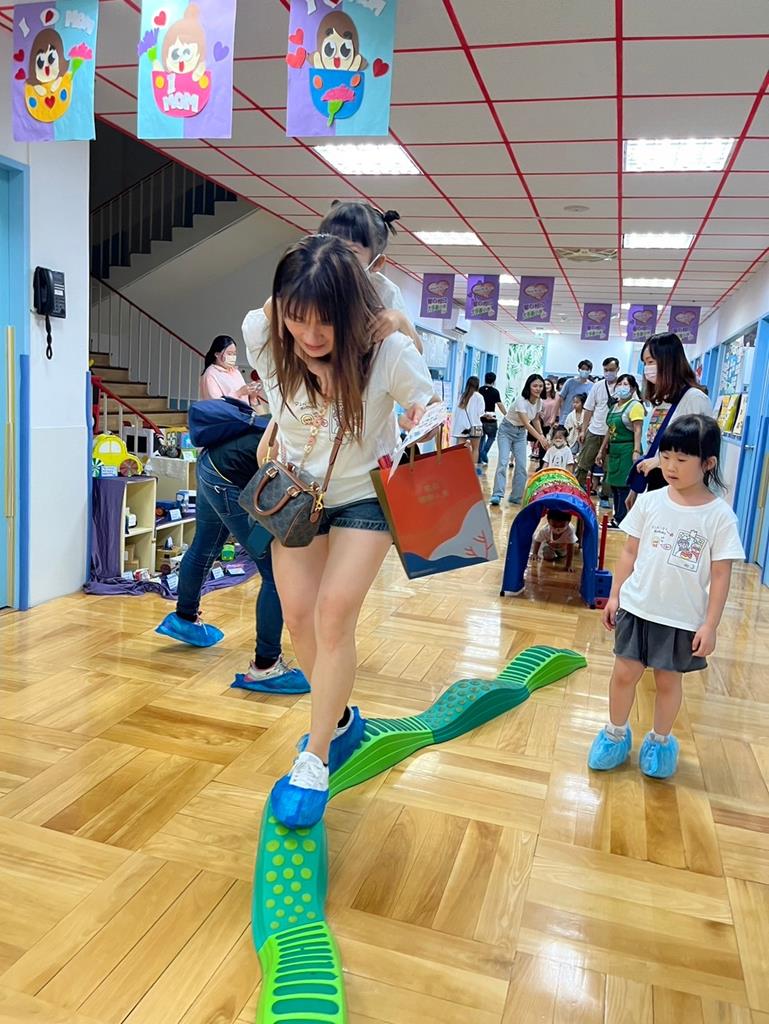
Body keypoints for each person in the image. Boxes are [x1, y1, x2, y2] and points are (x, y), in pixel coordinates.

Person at [242, 234, 435, 828]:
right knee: (299, 618)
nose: (310, 335)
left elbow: (429, 405)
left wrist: (422, 420)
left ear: (350, 311)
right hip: (296, 499)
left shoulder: (387, 352)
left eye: (325, 320)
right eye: (298, 318)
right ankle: (343, 720)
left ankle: (315, 757)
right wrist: (311, 271)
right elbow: (269, 311)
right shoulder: (269, 341)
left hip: (365, 500)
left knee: (332, 614)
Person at [587, 415, 744, 779]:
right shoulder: (650, 501)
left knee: (668, 682)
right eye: (666, 456)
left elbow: (721, 575)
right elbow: (629, 552)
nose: (670, 466)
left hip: (680, 617)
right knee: (623, 674)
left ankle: (659, 742)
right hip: (637, 607)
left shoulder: (719, 516)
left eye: (682, 459)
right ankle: (614, 734)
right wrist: (615, 596)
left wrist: (710, 625)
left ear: (708, 463)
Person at [155, 430, 309, 694]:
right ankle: (266, 667)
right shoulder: (317, 432)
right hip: (228, 476)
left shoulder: (296, 417)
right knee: (274, 573)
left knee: (205, 543)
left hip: (213, 463)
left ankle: (184, 618)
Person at [633, 332, 713, 496]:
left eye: (651, 362)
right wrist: (636, 489)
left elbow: (701, 450)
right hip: (657, 481)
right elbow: (654, 445)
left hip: (680, 488)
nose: (647, 369)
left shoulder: (694, 399)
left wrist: (661, 461)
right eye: (645, 363)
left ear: (668, 362)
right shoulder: (662, 400)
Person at [490, 374, 548, 508]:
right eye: (535, 386)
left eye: (540, 386)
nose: (538, 388)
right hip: (506, 430)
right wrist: (540, 438)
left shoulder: (539, 402)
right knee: (503, 462)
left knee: (521, 465)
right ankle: (497, 494)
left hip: (520, 433)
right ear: (529, 386)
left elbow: (535, 420)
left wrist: (542, 435)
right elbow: (527, 423)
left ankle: (516, 497)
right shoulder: (521, 401)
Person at [596, 373, 645, 528]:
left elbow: (638, 429)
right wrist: (601, 450)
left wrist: (636, 451)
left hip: (628, 449)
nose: (622, 387)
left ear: (633, 389)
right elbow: (609, 430)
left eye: (626, 384)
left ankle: (622, 519)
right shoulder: (614, 407)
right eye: (620, 384)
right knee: (615, 485)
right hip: (615, 450)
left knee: (624, 486)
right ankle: (618, 517)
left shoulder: (635, 406)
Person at [575, 356, 621, 505]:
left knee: (609, 467)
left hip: (614, 434)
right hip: (595, 431)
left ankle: (605, 496)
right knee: (583, 463)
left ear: (618, 369)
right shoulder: (598, 386)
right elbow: (588, 409)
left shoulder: (623, 386)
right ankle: (577, 491)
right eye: (606, 370)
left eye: (611, 370)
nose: (608, 373)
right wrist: (583, 430)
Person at [199, 335, 262, 405]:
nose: (232, 357)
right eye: (229, 354)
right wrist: (239, 393)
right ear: (217, 354)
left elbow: (245, 402)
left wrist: (252, 395)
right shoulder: (210, 374)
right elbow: (216, 405)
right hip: (225, 412)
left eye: (234, 354)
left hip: (241, 412)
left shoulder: (235, 372)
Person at [452, 375, 485, 473]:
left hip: (461, 427)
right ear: (477, 385)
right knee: (475, 449)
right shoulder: (479, 397)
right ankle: (472, 470)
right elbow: (481, 413)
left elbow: (457, 412)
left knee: (460, 449)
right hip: (475, 426)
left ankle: (459, 468)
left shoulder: (462, 396)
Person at [478, 371, 507, 466]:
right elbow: (499, 404)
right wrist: (506, 414)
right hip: (491, 419)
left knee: (481, 438)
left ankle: (479, 458)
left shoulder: (480, 390)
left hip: (480, 418)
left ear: (485, 379)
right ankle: (484, 452)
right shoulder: (495, 392)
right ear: (494, 381)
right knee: (491, 437)